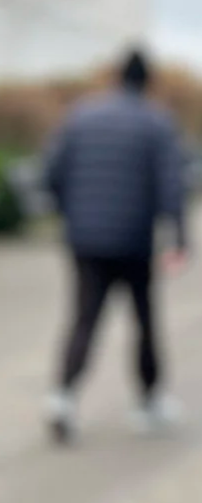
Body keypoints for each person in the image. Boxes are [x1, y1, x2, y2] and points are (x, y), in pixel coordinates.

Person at [41, 48, 188, 443]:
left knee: (84, 317)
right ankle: (148, 401)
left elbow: (52, 173)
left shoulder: (81, 116)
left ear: (116, 77)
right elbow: (172, 185)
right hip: (133, 239)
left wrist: (68, 212)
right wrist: (178, 238)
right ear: (148, 81)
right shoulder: (157, 123)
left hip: (85, 238)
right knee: (143, 322)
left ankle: (62, 398)